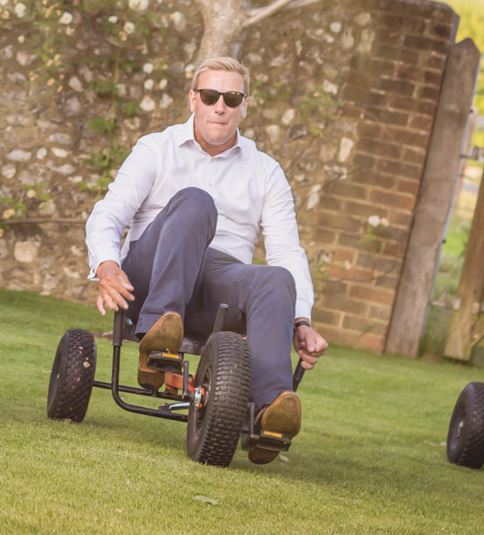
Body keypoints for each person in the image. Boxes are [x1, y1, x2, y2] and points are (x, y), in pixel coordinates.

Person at [85, 56, 327, 464]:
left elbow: (288, 251)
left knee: (277, 276)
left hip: (217, 286)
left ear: (244, 106)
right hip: (151, 276)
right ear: (193, 99)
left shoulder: (266, 171)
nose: (220, 106)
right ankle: (156, 337)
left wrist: (301, 320)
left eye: (231, 98)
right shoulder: (156, 148)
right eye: (211, 95)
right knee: (196, 202)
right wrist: (107, 265)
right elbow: (109, 213)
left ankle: (269, 412)